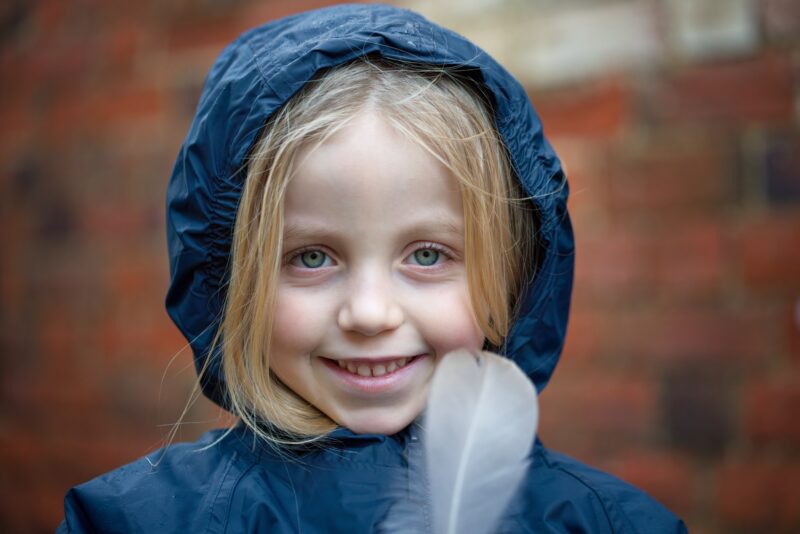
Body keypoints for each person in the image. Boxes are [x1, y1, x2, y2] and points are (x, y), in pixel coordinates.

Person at [58, 4, 687, 533]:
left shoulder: (606, 522)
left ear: (512, 274)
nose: (369, 313)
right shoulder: (134, 521)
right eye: (311, 257)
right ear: (235, 279)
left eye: (426, 255)